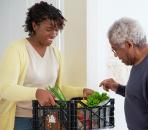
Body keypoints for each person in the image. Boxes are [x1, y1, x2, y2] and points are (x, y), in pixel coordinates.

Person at [0, 1, 93, 130]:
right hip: (20, 119)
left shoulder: (56, 53)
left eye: (56, 30)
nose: (54, 34)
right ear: (34, 25)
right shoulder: (16, 50)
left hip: (49, 118)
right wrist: (36, 93)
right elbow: (5, 89)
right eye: (49, 29)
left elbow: (57, 90)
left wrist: (80, 91)